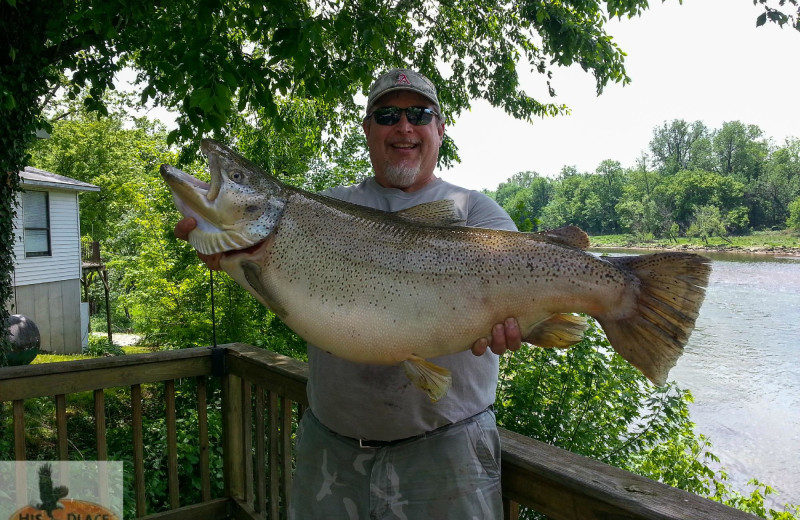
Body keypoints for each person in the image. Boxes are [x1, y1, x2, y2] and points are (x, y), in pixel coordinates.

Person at [175, 68, 522, 519]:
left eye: (419, 113)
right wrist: (222, 249)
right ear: (367, 128)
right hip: (331, 450)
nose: (403, 127)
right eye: (387, 115)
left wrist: (520, 327)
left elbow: (523, 301)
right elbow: (289, 297)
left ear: (439, 128)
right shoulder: (324, 209)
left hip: (447, 452)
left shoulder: (478, 214)